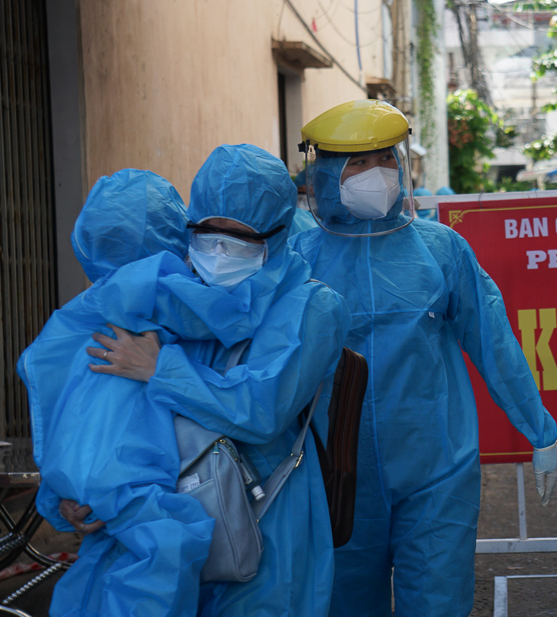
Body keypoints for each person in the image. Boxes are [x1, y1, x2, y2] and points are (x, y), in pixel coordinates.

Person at [56, 145, 351, 617]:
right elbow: (118, 413)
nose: (219, 250)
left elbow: (261, 411)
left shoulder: (311, 306)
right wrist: (80, 495)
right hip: (174, 525)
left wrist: (160, 370)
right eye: (207, 232)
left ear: (278, 235)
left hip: (266, 523)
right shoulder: (182, 303)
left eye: (241, 237)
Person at [294, 99, 557, 616]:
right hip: (335, 475)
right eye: (356, 162)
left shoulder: (442, 250)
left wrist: (540, 430)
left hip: (436, 469)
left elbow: (493, 342)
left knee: (437, 601)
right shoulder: (298, 262)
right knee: (343, 603)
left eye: (384, 158)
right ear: (323, 170)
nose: (376, 173)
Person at [20, 169, 215, 617]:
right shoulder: (178, 304)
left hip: (93, 508)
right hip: (146, 508)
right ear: (176, 233)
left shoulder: (75, 323)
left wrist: (61, 499)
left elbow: (56, 418)